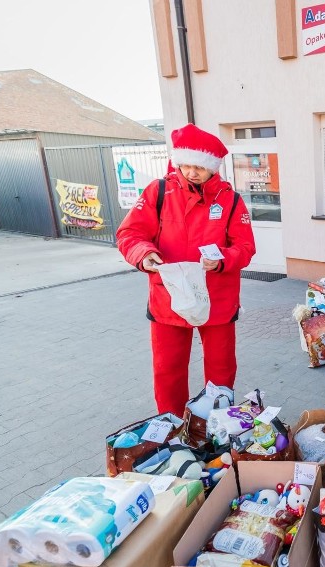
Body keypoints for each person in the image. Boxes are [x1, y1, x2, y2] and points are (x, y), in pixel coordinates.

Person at [117, 123, 256, 416]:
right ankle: (173, 425)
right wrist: (144, 254)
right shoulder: (159, 191)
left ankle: (216, 423)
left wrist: (222, 260)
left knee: (220, 369)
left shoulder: (230, 200)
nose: (192, 172)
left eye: (200, 168)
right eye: (187, 165)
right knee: (168, 370)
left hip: (216, 298)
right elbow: (130, 234)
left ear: (213, 168)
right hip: (168, 296)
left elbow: (245, 247)